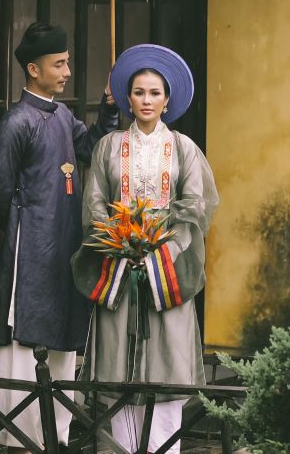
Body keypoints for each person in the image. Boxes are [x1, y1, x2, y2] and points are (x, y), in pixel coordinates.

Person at [72, 44, 219, 454]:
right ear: (127, 98)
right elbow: (95, 203)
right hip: (119, 268)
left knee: (166, 366)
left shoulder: (184, 148)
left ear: (167, 99)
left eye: (155, 93)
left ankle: (162, 448)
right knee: (117, 368)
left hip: (166, 273)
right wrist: (118, 241)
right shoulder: (108, 146)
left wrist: (161, 247)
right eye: (139, 92)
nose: (147, 100)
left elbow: (195, 206)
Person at [0, 21, 121, 450]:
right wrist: (22, 230)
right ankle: (21, 439)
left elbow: (93, 147)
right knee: (25, 342)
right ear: (33, 69)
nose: (66, 72)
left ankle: (55, 436)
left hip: (64, 243)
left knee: (62, 338)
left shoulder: (61, 116)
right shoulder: (16, 122)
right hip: (30, 249)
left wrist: (109, 106)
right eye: (58, 64)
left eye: (67, 62)